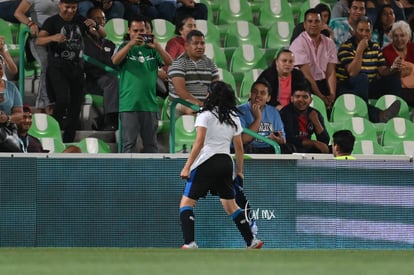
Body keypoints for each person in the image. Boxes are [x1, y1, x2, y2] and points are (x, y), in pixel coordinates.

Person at [179, 81, 264, 249]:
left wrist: (187, 166)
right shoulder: (234, 117)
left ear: (211, 95)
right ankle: (251, 240)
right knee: (231, 206)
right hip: (226, 162)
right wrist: (239, 171)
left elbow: (199, 142)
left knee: (186, 204)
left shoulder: (205, 115)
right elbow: (239, 148)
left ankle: (190, 243)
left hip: (206, 161)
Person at [36, 0, 106, 143]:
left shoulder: (81, 20)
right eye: (67, 7)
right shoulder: (52, 21)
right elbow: (39, 40)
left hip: (77, 68)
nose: (70, 10)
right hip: (57, 68)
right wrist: (53, 38)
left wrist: (96, 26)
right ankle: (54, 127)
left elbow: (102, 35)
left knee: (76, 104)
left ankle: (68, 139)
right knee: (62, 100)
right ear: (60, 5)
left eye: (73, 7)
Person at [112, 15, 172, 153]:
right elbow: (114, 61)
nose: (139, 34)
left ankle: (151, 174)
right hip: (129, 104)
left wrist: (157, 46)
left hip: (149, 105)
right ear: (129, 31)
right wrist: (130, 44)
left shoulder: (152, 49)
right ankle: (127, 174)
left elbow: (169, 62)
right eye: (135, 31)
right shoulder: (123, 47)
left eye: (142, 30)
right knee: (128, 145)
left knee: (151, 146)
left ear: (147, 31)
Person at [336, 16, 402, 123]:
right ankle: (368, 115)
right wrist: (360, 50)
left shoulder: (375, 46)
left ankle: (396, 113)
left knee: (393, 78)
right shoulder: (346, 47)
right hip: (347, 87)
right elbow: (353, 73)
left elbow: (383, 71)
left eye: (367, 30)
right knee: (362, 77)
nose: (364, 34)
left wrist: (393, 68)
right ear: (354, 31)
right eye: (361, 30)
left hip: (367, 86)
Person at [14, 0, 60, 114]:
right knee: (47, 65)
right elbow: (18, 13)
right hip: (38, 39)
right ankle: (46, 104)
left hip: (56, 38)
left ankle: (47, 105)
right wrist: (30, 23)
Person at [290, 8, 338, 111]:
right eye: (310, 21)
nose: (313, 24)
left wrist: (332, 94)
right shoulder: (298, 43)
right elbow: (307, 75)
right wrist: (321, 96)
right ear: (304, 25)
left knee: (343, 92)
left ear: (321, 24)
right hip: (306, 84)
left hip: (323, 81)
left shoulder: (329, 43)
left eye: (317, 21)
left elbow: (331, 71)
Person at [168, 29, 219, 115]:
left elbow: (216, 87)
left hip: (205, 103)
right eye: (195, 43)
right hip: (181, 103)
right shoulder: (178, 63)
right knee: (192, 108)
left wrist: (210, 101)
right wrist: (200, 104)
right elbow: (181, 91)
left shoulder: (210, 63)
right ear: (186, 45)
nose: (199, 46)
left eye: (202, 43)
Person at [84, 6, 119, 130]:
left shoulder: (110, 44)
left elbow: (115, 62)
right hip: (92, 80)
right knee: (113, 80)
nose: (101, 21)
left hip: (111, 77)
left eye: (103, 19)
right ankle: (110, 119)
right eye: (96, 19)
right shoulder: (83, 41)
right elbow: (88, 64)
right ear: (89, 21)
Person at [237, 79, 290, 154]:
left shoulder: (274, 112)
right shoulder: (240, 111)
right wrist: (258, 118)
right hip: (250, 149)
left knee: (288, 148)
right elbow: (243, 140)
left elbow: (283, 140)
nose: (258, 95)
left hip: (269, 148)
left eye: (262, 93)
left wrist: (279, 140)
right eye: (255, 92)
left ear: (268, 98)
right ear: (250, 95)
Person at [279, 82, 330, 154]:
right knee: (288, 148)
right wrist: (313, 143)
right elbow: (289, 138)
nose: (301, 100)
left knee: (329, 149)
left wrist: (317, 123)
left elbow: (325, 141)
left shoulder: (315, 113)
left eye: (305, 97)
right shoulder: (285, 113)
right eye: (297, 96)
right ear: (292, 99)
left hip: (307, 148)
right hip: (292, 148)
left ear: (310, 100)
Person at [382, 20, 414, 107]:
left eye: (402, 35)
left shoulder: (412, 47)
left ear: (408, 36)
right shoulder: (386, 51)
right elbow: (385, 74)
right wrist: (397, 72)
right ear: (392, 37)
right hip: (398, 88)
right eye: (395, 36)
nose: (399, 39)